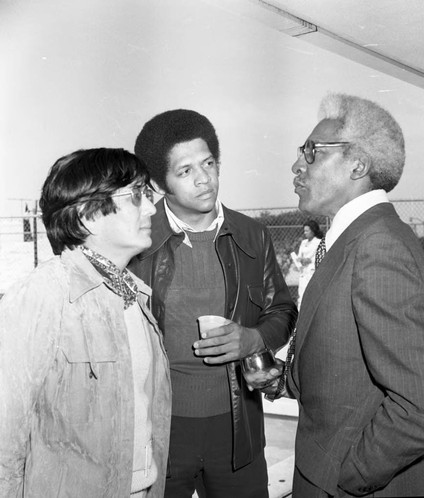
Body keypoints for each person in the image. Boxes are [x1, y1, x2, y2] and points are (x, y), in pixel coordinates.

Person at [267, 92, 424, 497]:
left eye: (313, 151)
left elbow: (421, 408)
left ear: (359, 165)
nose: (298, 164)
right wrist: (281, 379)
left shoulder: (377, 246)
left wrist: (349, 477)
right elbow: (348, 373)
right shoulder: (350, 240)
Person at [130, 109, 297, 498]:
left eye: (208, 163)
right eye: (185, 171)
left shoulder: (252, 234)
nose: (204, 179)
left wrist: (253, 339)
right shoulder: (137, 241)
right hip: (160, 432)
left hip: (238, 428)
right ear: (159, 183)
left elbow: (283, 310)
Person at [0, 148, 172, 497]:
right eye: (137, 196)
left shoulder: (134, 295)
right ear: (89, 216)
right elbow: (5, 439)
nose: (152, 208)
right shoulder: (43, 296)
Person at [292, 220, 323, 308]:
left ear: (313, 231)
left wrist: (309, 260)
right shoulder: (303, 242)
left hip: (312, 273)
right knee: (301, 296)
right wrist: (299, 260)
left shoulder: (319, 242)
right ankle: (300, 316)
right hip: (303, 273)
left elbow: (319, 258)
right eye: (304, 230)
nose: (304, 233)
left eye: (307, 231)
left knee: (313, 296)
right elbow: (299, 256)